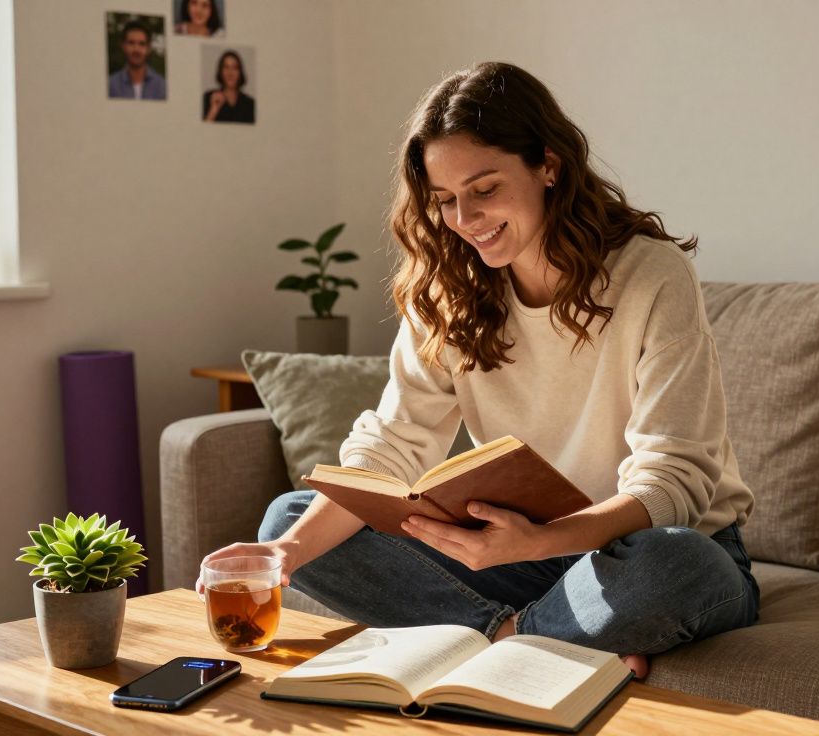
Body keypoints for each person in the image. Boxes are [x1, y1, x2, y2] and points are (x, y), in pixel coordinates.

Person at [199, 62, 759, 679]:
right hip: (520, 552)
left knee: (674, 565)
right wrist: (284, 553)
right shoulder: (449, 292)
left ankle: (511, 637)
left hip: (642, 547)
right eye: (444, 200)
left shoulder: (650, 277)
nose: (464, 220)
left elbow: (676, 480)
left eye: (485, 189)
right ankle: (528, 637)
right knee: (290, 520)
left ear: (549, 165)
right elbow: (393, 444)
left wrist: (540, 541)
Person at [107, 21, 166, 101]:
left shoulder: (162, 86)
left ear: (148, 48)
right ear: (123, 46)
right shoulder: (110, 85)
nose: (136, 49)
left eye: (142, 44)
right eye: (131, 43)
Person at [202, 51, 255, 124]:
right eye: (226, 67)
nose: (230, 73)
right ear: (220, 71)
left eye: (235, 68)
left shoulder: (250, 104)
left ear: (240, 73)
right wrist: (214, 109)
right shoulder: (208, 97)